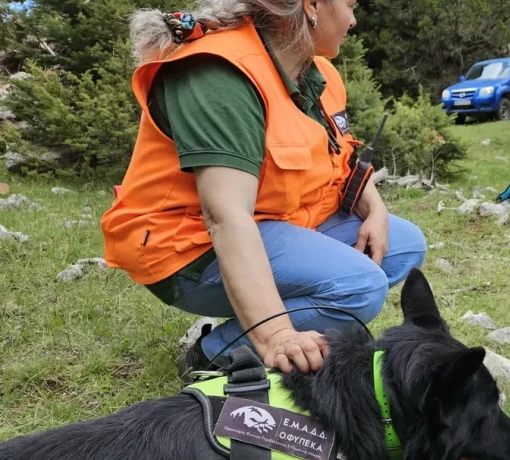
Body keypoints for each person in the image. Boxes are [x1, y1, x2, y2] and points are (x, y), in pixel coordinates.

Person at [100, 0, 427, 381]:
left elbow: (343, 153)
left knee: (403, 245)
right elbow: (225, 216)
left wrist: (376, 208)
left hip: (276, 222)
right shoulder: (220, 75)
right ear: (313, 5)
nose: (354, 21)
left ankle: (299, 307)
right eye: (351, 6)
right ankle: (215, 351)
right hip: (188, 248)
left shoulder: (315, 71)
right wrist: (276, 335)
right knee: (360, 288)